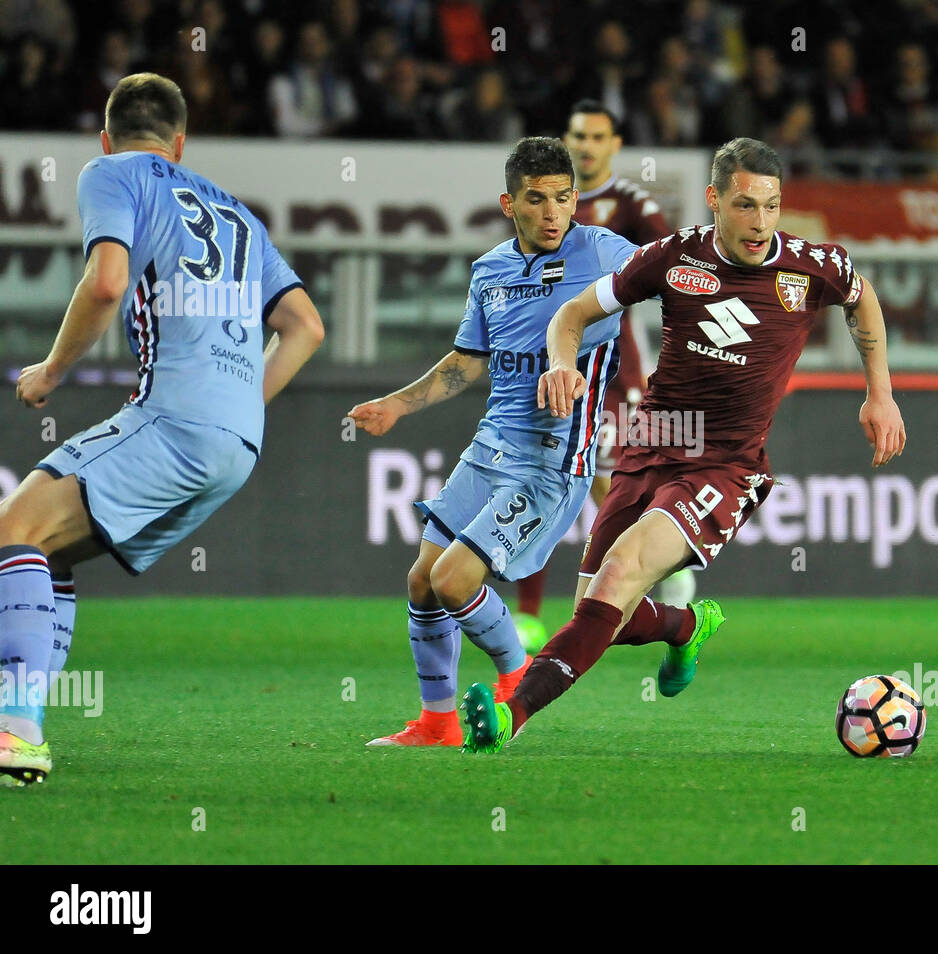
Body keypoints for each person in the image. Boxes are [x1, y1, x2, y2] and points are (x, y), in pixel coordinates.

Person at [461, 137, 906, 753]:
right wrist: (561, 364)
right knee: (598, 610)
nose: (760, 223)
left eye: (771, 207)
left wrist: (879, 394)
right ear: (714, 200)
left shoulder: (812, 265)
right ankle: (686, 625)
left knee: (617, 578)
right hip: (653, 444)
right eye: (745, 206)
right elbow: (571, 314)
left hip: (726, 463)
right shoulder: (671, 259)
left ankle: (510, 715)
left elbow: (864, 302)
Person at [0, 73, 324, 786]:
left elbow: (108, 281)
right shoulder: (240, 214)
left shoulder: (111, 173)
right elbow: (306, 327)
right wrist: (241, 403)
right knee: (46, 553)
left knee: (12, 528)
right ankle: (20, 720)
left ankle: (14, 725)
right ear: (181, 143)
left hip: (175, 420)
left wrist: (52, 370)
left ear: (106, 136)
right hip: (238, 442)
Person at [348, 137, 638, 748]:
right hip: (489, 449)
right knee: (423, 580)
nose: (554, 212)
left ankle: (516, 683)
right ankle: (436, 722)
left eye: (564, 198)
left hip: (553, 460)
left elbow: (679, 277)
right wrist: (396, 404)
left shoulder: (607, 252)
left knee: (455, 580)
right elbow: (466, 362)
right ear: (509, 203)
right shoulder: (491, 270)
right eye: (537, 199)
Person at [511, 100, 683, 646]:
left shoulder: (629, 202)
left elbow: (675, 262)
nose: (585, 145)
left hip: (613, 371)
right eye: (577, 135)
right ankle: (531, 614)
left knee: (614, 487)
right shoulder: (545, 202)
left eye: (596, 137)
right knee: (544, 481)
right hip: (550, 366)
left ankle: (663, 592)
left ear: (614, 145)